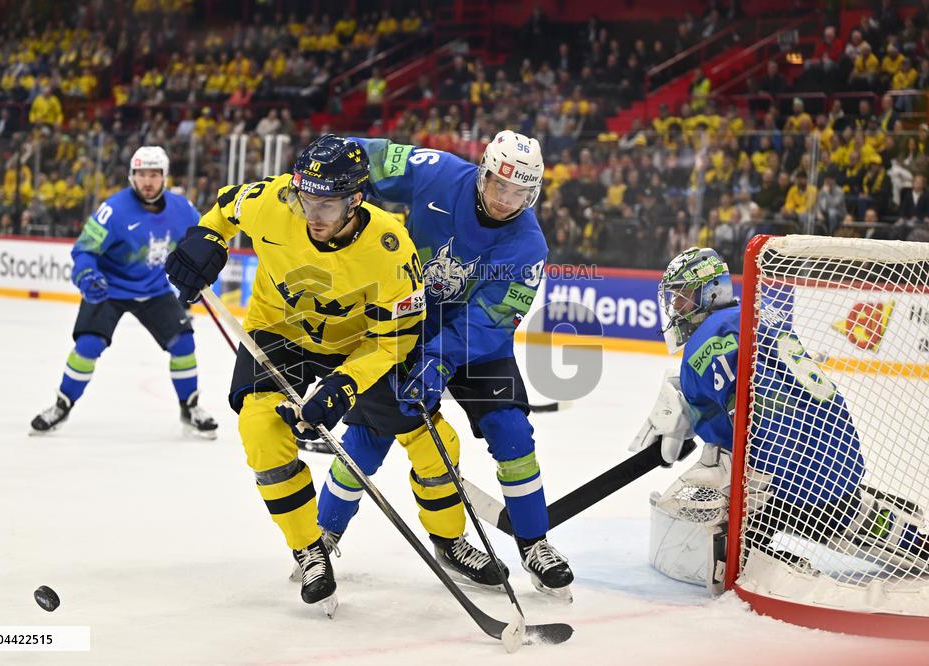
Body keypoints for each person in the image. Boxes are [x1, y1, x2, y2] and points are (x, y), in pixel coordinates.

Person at [164, 135, 425, 616]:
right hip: (279, 332)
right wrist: (206, 239)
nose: (313, 215)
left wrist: (346, 384)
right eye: (307, 200)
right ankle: (309, 549)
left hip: (356, 344)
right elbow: (224, 209)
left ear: (356, 199)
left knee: (428, 433)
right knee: (260, 431)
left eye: (327, 205)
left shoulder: (391, 247)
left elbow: (397, 337)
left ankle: (450, 541)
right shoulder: (274, 200)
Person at [314, 130, 575, 600]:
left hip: (474, 345)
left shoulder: (529, 246)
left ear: (533, 193)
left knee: (512, 431)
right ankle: (323, 534)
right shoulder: (437, 172)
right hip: (402, 324)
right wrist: (320, 167)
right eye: (499, 185)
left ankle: (534, 542)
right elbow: (359, 156)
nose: (506, 200)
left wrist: (438, 358)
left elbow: (491, 319)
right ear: (483, 173)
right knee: (371, 436)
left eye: (519, 192)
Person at [632, 247, 928, 587]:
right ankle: (907, 536)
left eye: (682, 296)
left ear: (710, 292)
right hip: (833, 453)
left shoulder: (708, 340)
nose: (675, 307)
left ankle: (764, 560)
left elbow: (749, 413)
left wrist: (752, 479)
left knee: (700, 513)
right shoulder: (753, 312)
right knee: (846, 512)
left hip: (790, 473)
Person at [30, 146, 217, 439]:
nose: (147, 181)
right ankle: (62, 405)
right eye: (141, 174)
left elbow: (202, 239)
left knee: (183, 344)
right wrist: (87, 275)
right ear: (131, 176)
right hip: (109, 288)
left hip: (154, 289)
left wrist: (204, 262)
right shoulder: (113, 210)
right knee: (88, 346)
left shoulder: (182, 209)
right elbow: (84, 251)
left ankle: (190, 407)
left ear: (165, 176)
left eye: (154, 174)